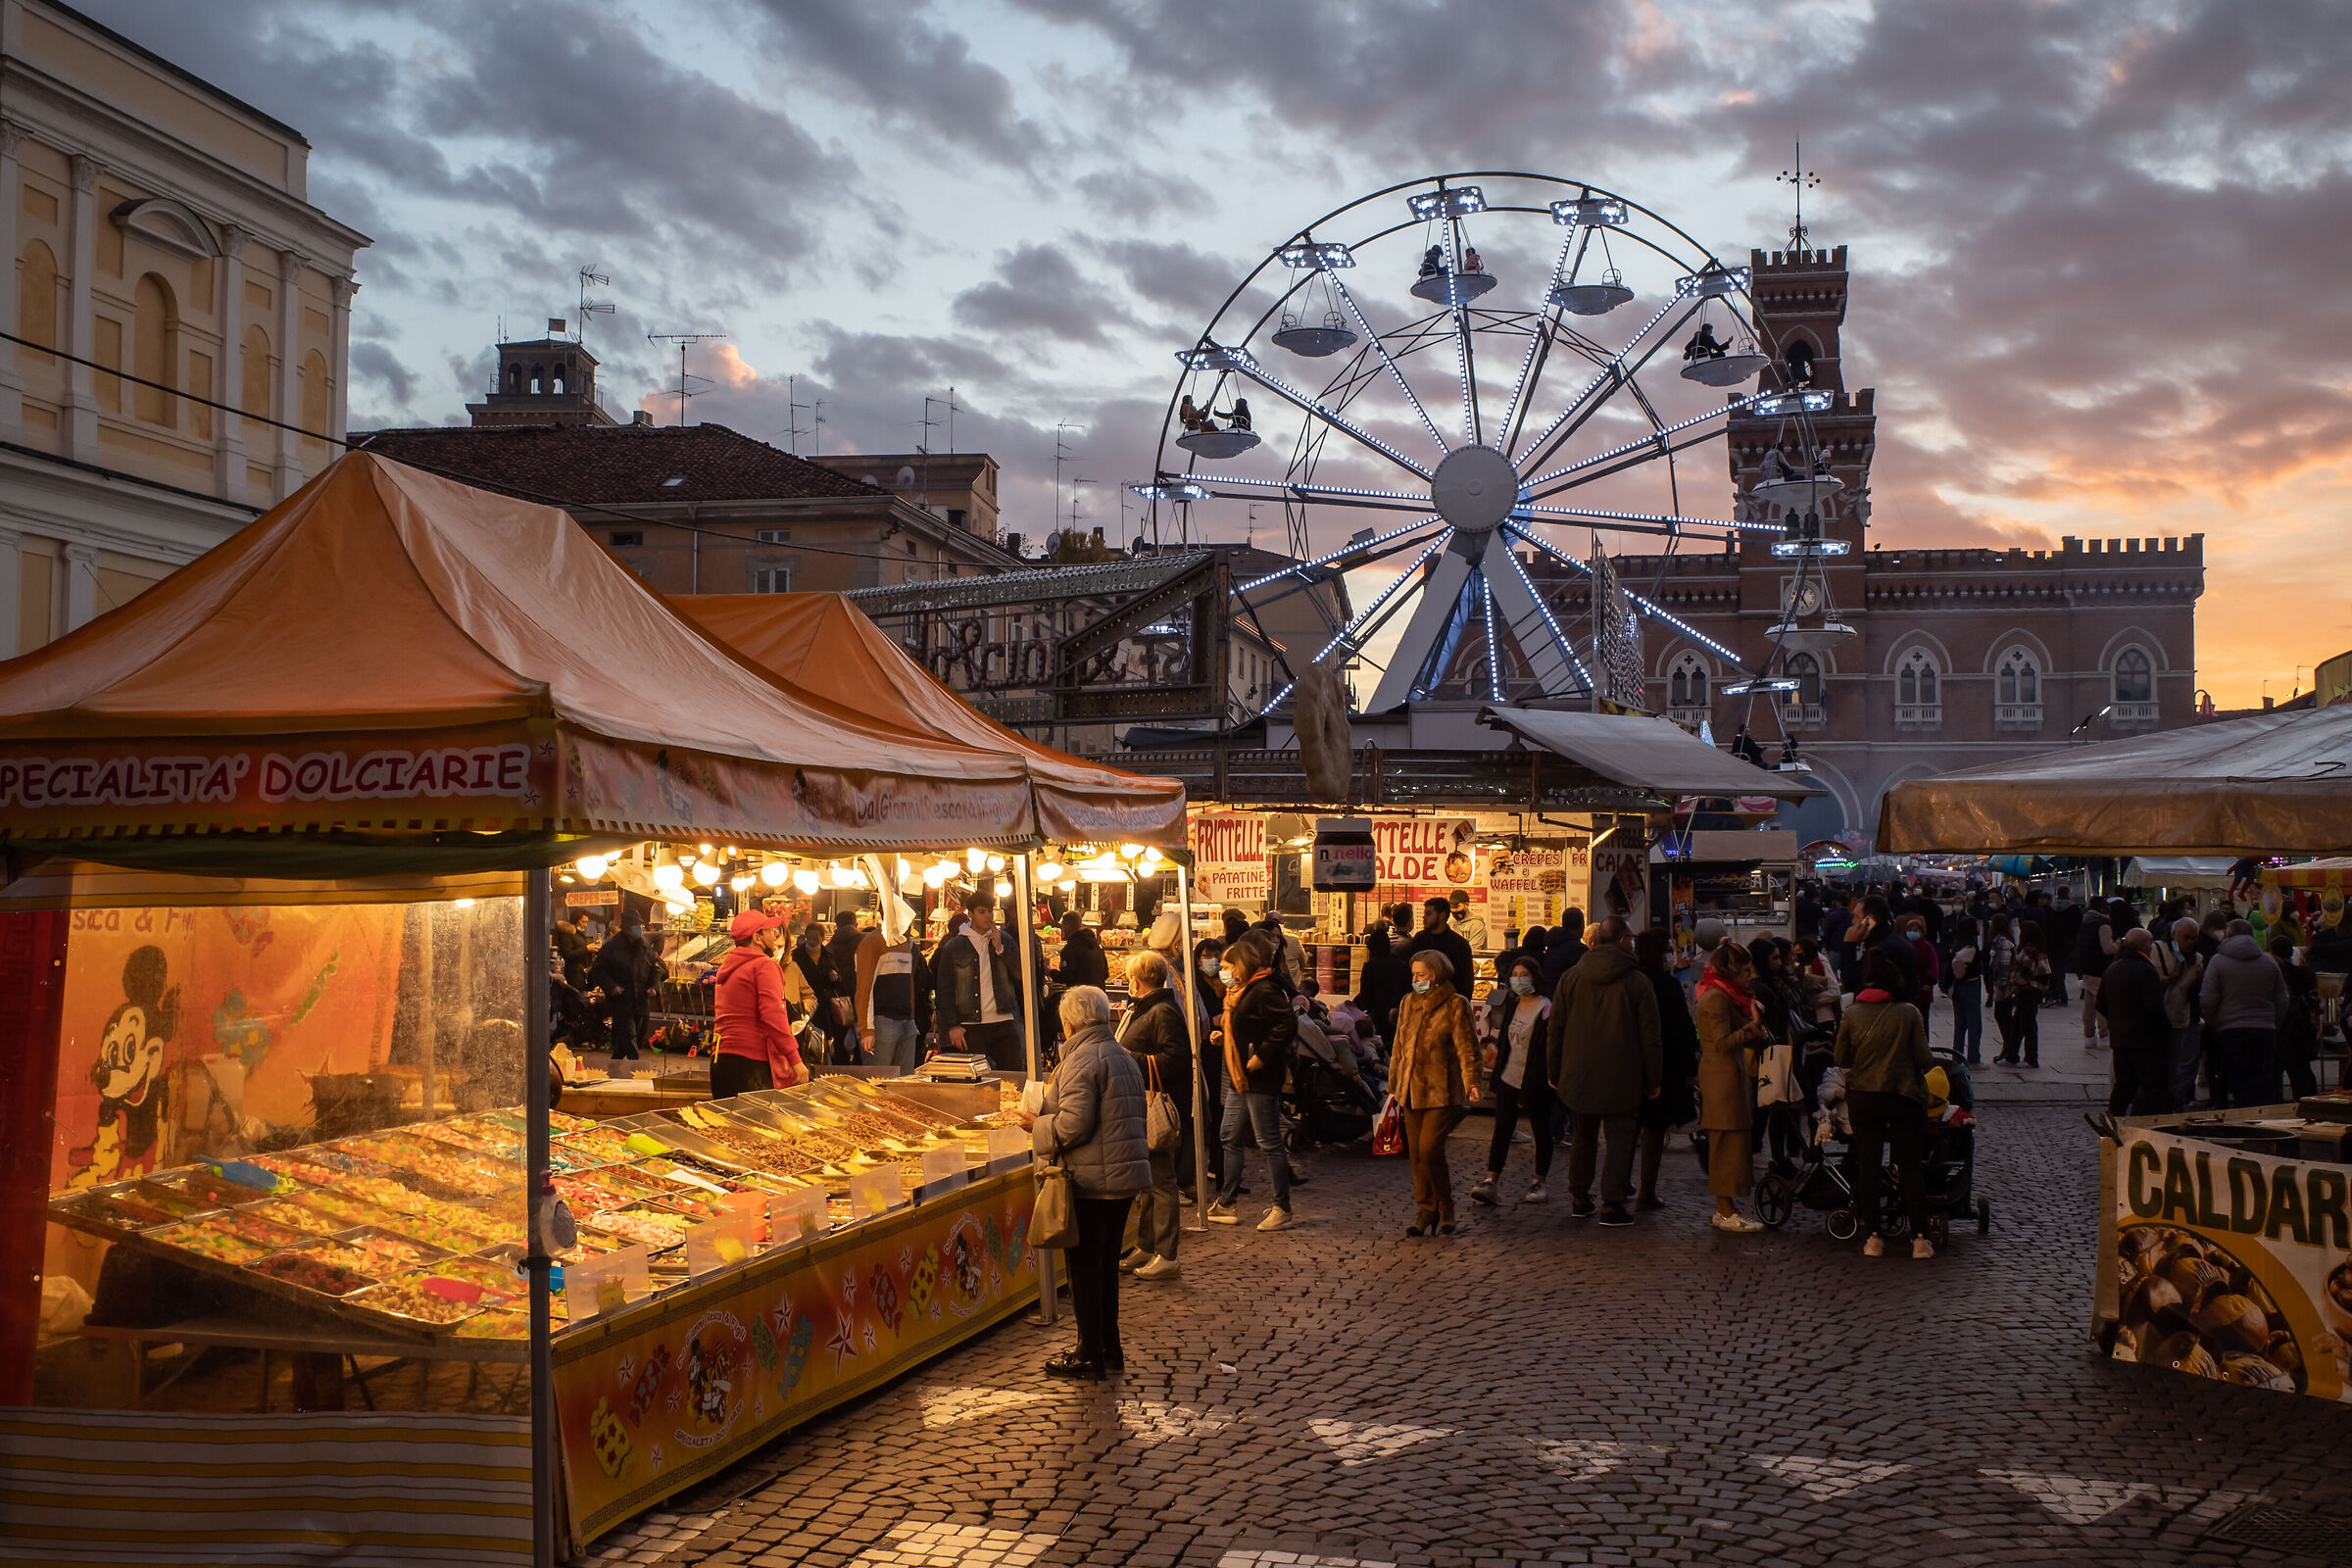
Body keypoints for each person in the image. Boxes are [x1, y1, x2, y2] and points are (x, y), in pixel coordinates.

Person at [1019, 985, 1149, 1380]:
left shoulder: (1082, 1058)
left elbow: (1076, 1123)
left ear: (1070, 1022)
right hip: (1123, 1176)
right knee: (1106, 1266)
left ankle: (1088, 1350)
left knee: (1085, 1268)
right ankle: (1109, 1346)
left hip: (1094, 1180)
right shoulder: (1120, 1054)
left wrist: (1037, 1125)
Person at [1546, 916, 1662, 1228]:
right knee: (1619, 1140)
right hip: (1623, 1075)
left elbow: (1555, 1028)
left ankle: (1579, 1197)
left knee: (1583, 1136)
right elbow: (1650, 1036)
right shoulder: (1638, 981)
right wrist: (1654, 1078)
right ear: (1624, 940)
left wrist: (1553, 1070)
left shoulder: (1572, 977)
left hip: (1578, 1073)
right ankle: (1612, 1203)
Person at [1835, 949, 1936, 1259]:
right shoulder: (1909, 1013)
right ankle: (1920, 1238)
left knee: (1868, 1165)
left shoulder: (1852, 1013)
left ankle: (1873, 1237)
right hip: (1903, 1096)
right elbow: (1924, 1058)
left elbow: (1841, 1058)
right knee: (1910, 1167)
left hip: (1865, 1096)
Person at [1388, 947, 1482, 1235]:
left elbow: (1467, 1047)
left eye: (1421, 974)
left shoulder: (1455, 1004)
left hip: (1441, 1090)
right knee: (1415, 1153)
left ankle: (1445, 1205)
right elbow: (1399, 1047)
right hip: (1410, 1090)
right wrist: (1393, 1084)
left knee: (1430, 1148)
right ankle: (1426, 1210)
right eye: (1414, 974)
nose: (1416, 979)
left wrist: (1473, 1082)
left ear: (1436, 975)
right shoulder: (1408, 1003)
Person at [1207, 930, 1298, 1232]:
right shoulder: (1240, 992)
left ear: (1241, 966)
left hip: (1259, 1077)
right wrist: (1227, 1037)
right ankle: (1226, 1201)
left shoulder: (1262, 990)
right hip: (1240, 1075)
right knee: (1228, 1135)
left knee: (1269, 1141)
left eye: (1226, 966)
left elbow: (1286, 1023)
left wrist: (1261, 1055)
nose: (1222, 972)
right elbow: (1249, 1026)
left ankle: (1282, 1207)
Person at [1115, 952, 1190, 1282]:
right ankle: (1146, 1245)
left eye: (1131, 977)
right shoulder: (1148, 1008)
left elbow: (1174, 1058)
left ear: (1139, 980)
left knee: (1160, 1183)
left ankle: (1167, 1254)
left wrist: (1130, 1057)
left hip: (1156, 1106)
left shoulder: (1162, 1011)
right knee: (1147, 1183)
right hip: (1139, 1103)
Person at [1692, 940, 1768, 1233]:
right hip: (1721, 1078)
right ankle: (1724, 1209)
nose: (1749, 976)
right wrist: (1752, 1027)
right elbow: (1721, 1043)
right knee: (1725, 1141)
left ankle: (1728, 1207)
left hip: (1730, 1074)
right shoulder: (1715, 998)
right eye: (1745, 970)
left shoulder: (1726, 995)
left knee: (1734, 1141)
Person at [1471, 955, 1553, 1207]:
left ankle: (1539, 1181)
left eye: (1523, 975)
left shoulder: (1545, 1008)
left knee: (1541, 1130)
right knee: (1502, 1130)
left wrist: (1531, 1087)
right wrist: (1496, 1078)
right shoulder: (1513, 1005)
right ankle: (1490, 1180)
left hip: (1535, 1081)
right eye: (1515, 975)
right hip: (1509, 1077)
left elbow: (1544, 1051)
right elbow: (1504, 1043)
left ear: (1535, 977)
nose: (1518, 979)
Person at [1634, 928, 1700, 1210]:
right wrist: (1690, 1067)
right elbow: (1682, 1030)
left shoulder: (1632, 981)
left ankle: (1619, 1184)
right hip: (1663, 1065)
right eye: (1669, 949)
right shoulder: (1666, 985)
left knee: (1629, 1127)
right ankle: (1647, 1190)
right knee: (1654, 1129)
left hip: (1627, 1062)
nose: (1673, 954)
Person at [711, 909, 806, 1098]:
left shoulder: (727, 967)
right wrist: (795, 1061)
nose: (775, 934)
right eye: (770, 931)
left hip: (720, 1062)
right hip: (751, 1065)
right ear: (757, 938)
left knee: (726, 1125)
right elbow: (774, 1017)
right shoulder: (764, 966)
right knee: (757, 1125)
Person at [933, 889, 1026, 1071]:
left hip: (1004, 1019)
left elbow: (1021, 973)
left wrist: (1000, 948)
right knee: (976, 1077)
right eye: (982, 912)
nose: (988, 916)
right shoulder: (954, 947)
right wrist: (953, 1025)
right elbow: (944, 989)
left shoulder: (1003, 939)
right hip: (970, 1024)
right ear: (971, 914)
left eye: (990, 911)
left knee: (1014, 1074)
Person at [2201, 918, 2289, 1106]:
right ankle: (2265, 1123)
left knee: (2238, 1080)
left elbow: (2208, 999)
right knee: (2264, 1080)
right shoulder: (2269, 962)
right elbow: (2282, 998)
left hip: (2230, 1029)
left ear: (2228, 935)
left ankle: (2243, 1120)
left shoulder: (2218, 962)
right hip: (2265, 1029)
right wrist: (2274, 1023)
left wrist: (2214, 1023)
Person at [2099, 929, 2174, 1116]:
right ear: (2146, 947)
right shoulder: (2146, 970)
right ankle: (2142, 1124)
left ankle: (2114, 1118)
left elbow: (2100, 1003)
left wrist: (2116, 1019)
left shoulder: (2113, 968)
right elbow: (2154, 1006)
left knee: (2124, 1084)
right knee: (2151, 1085)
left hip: (2120, 1039)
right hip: (2145, 1041)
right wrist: (2165, 1029)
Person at [855, 917, 933, 1073]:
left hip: (906, 1020)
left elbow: (909, 984)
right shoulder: (873, 942)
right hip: (883, 1020)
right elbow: (864, 988)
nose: (909, 918)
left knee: (903, 1081)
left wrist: (911, 1018)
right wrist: (866, 1029)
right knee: (879, 1079)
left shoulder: (906, 943)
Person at [589, 913, 662, 1065]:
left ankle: (614, 1066)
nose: (639, 930)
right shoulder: (612, 948)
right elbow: (598, 971)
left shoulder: (644, 946)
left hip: (641, 1001)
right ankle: (637, 1068)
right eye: (636, 927)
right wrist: (611, 986)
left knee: (631, 1037)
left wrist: (654, 987)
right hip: (621, 1001)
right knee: (629, 1035)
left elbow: (656, 969)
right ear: (626, 929)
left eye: (640, 927)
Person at [1994, 925, 2050, 1066]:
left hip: (2027, 990)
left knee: (2027, 1024)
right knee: (2018, 1024)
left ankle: (2031, 1057)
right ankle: (2012, 1055)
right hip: (2035, 991)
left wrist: (2013, 981)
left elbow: (2024, 973)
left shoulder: (2029, 952)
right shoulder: (2040, 950)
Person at [2278, 935, 2322, 1100]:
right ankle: (2310, 1099)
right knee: (2302, 1069)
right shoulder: (2306, 973)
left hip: (2288, 1025)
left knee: (2287, 1067)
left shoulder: (2280, 972)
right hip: (2304, 1025)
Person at [1403, 897, 1474, 999]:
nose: (1423, 917)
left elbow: (1465, 981)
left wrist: (1459, 1005)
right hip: (1419, 1001)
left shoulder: (1458, 944)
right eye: (1424, 914)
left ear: (1442, 916)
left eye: (1429, 914)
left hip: (1447, 1003)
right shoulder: (1420, 939)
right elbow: (1406, 972)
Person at [2074, 897, 2116, 1045]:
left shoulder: (2087, 922)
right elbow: (2107, 948)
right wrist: (2120, 944)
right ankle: (2104, 1034)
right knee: (2102, 1003)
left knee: (2090, 1003)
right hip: (2100, 968)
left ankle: (2089, 1035)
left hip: (2087, 966)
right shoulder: (2104, 924)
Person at [1945, 916, 1984, 1065]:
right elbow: (1958, 963)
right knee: (1974, 1024)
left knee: (1960, 1025)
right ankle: (1974, 1058)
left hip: (1957, 989)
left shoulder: (1956, 943)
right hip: (1969, 986)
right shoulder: (1971, 947)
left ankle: (1957, 1056)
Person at [1053, 912, 1109, 991]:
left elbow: (1065, 977)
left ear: (1067, 926)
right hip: (1099, 996)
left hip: (1080, 997)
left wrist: (1050, 972)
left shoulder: (1070, 949)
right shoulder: (1097, 946)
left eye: (1063, 926)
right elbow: (1106, 974)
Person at [1541, 907, 1588, 994]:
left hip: (1550, 994)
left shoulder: (1553, 944)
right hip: (1567, 996)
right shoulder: (1580, 949)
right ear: (1581, 925)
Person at [552, 911, 594, 990]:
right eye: (583, 921)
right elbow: (567, 954)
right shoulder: (568, 933)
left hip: (584, 973)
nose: (585, 925)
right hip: (575, 975)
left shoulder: (580, 934)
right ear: (576, 920)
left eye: (587, 922)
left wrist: (593, 949)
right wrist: (587, 948)